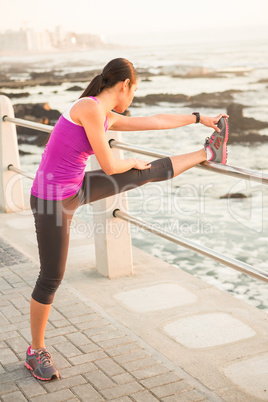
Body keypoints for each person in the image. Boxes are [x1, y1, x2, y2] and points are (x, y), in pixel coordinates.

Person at [25, 58, 229, 380]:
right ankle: (35, 350)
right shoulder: (89, 109)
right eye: (135, 90)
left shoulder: (103, 114)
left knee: (144, 174)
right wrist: (131, 160)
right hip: (50, 200)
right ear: (125, 86)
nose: (133, 97)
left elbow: (157, 120)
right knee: (51, 276)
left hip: (75, 188)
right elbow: (108, 165)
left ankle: (209, 153)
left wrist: (199, 118)